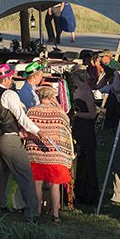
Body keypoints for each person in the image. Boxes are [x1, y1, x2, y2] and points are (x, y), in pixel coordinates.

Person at [0, 64, 42, 222]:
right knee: (25, 176)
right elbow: (21, 117)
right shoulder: (9, 94)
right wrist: (38, 131)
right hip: (9, 139)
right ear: (7, 78)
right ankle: (32, 214)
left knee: (0, 176)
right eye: (11, 77)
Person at [24, 85, 73, 224]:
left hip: (35, 152)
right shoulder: (59, 113)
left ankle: (37, 212)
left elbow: (26, 128)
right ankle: (55, 215)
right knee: (54, 185)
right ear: (52, 97)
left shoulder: (32, 111)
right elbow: (67, 127)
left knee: (37, 184)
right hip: (54, 154)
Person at [66, 69, 101, 205]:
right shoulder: (74, 91)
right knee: (78, 161)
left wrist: (76, 115)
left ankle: (89, 193)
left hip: (86, 128)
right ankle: (78, 191)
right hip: (77, 128)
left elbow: (92, 114)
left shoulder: (86, 92)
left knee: (87, 160)